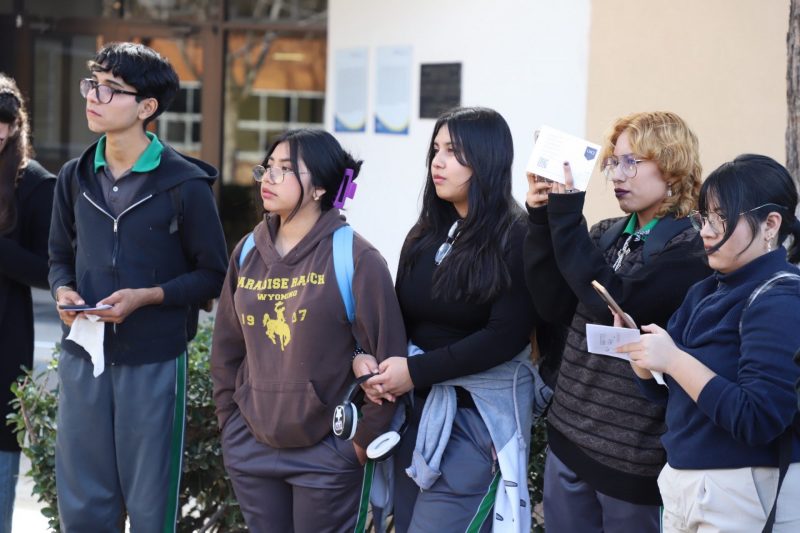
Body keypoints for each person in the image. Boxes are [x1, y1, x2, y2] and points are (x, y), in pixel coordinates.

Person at [48, 42, 228, 531]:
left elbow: (214, 274)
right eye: (93, 83)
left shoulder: (185, 184)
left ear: (147, 107)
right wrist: (63, 290)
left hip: (154, 360)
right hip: (83, 353)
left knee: (150, 504)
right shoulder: (74, 177)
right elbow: (59, 257)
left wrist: (147, 297)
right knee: (83, 504)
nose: (94, 96)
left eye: (111, 89)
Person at [210, 128, 407, 532]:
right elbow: (227, 349)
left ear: (319, 188)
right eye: (268, 166)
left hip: (327, 455)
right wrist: (230, 425)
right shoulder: (247, 252)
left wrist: (358, 444)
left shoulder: (357, 258)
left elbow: (390, 360)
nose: (268, 177)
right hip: (251, 447)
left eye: (285, 169)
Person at [524, 111, 712, 532]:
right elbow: (552, 305)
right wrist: (540, 217)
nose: (617, 175)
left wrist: (566, 215)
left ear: (671, 165)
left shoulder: (689, 246)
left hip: (632, 460)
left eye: (632, 162)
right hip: (568, 437)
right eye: (613, 162)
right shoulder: (605, 233)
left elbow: (617, 301)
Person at [355, 107, 539, 532]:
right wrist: (365, 356)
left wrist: (415, 371)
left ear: (486, 159)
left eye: (453, 152)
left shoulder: (516, 235)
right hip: (413, 414)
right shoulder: (425, 232)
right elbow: (398, 318)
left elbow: (504, 337)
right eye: (435, 150)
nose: (437, 162)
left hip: (474, 420)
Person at [617, 154, 800, 532]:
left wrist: (674, 360)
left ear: (770, 224)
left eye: (722, 218)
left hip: (744, 493)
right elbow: (676, 396)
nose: (706, 230)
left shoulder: (779, 298)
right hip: (685, 484)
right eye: (704, 217)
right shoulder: (705, 290)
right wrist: (646, 365)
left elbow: (758, 419)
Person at [0, 74, 55, 533]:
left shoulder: (33, 183)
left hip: (5, 339)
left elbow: (50, 270)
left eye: (4, 127)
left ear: (16, 126)